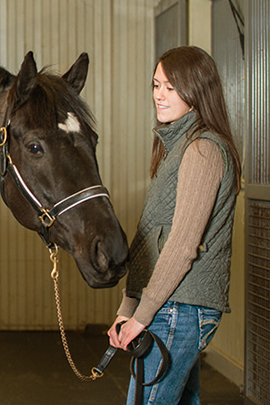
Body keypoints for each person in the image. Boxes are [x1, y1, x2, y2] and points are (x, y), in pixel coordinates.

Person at [107, 46, 241, 404]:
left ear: (197, 93)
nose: (159, 95)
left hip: (180, 308)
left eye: (171, 87)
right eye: (156, 84)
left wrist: (142, 314)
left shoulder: (202, 150)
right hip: (172, 306)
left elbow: (181, 246)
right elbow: (150, 239)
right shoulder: (178, 148)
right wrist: (127, 310)